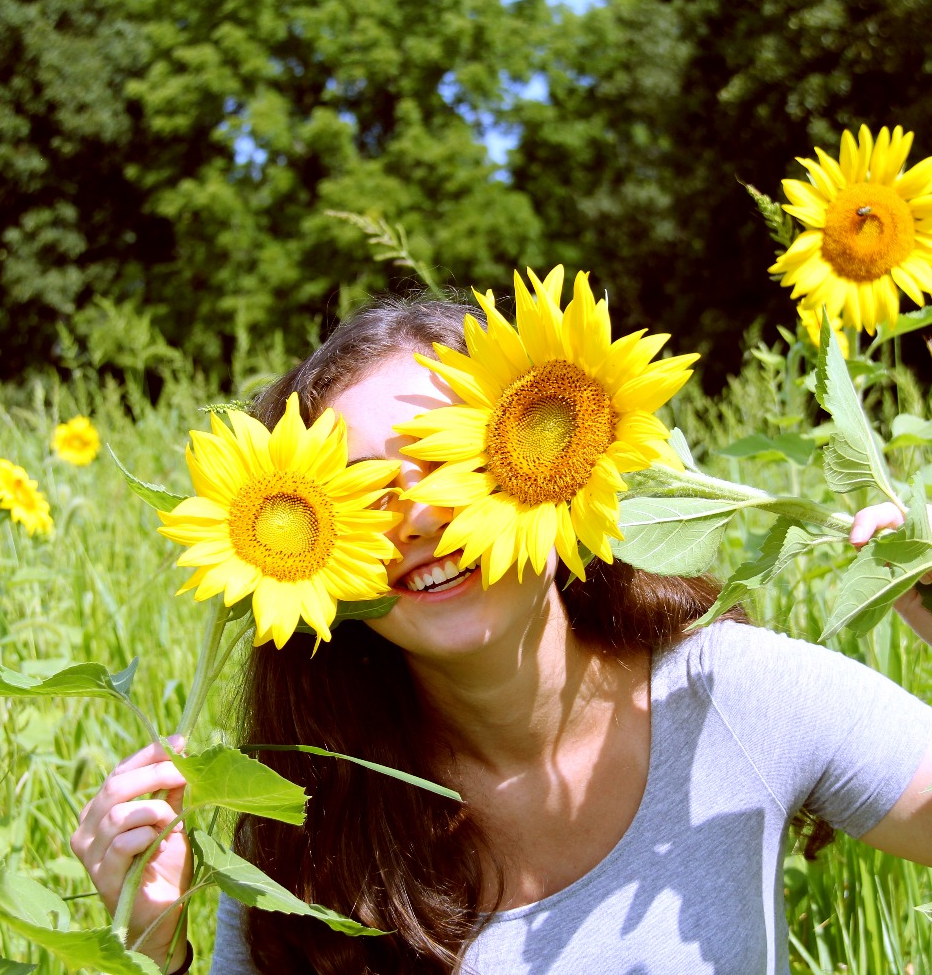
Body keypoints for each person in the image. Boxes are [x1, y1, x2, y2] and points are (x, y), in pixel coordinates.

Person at [71, 295, 932, 975]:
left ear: (555, 467)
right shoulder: (304, 810)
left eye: (451, 463)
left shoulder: (731, 696)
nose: (416, 518)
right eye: (363, 498)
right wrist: (154, 947)